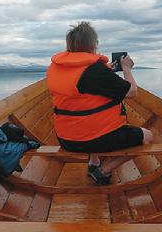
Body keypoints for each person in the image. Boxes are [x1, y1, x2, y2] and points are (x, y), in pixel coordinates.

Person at [46, 22, 153, 185]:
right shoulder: (94, 70)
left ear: (69, 45)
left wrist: (106, 70)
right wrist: (127, 69)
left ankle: (94, 162)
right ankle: (102, 171)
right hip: (91, 139)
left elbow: (83, 85)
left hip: (65, 138)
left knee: (88, 120)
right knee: (147, 136)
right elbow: (131, 92)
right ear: (92, 44)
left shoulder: (56, 67)